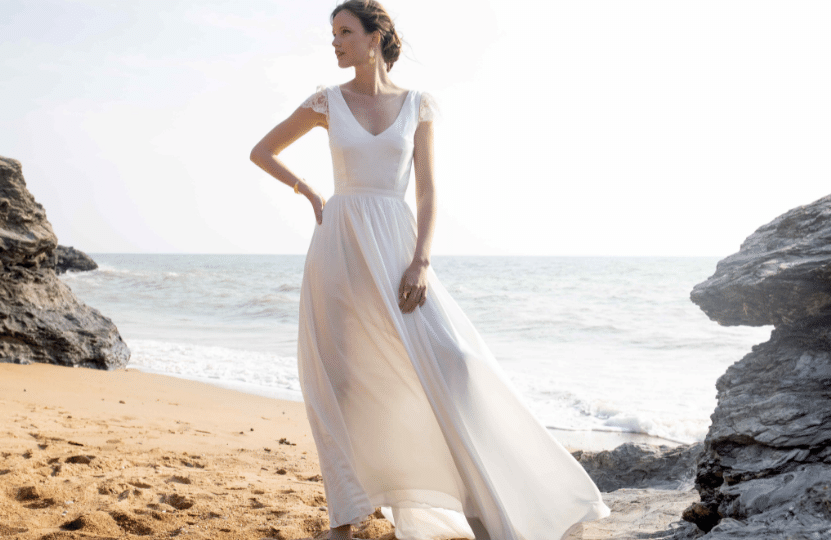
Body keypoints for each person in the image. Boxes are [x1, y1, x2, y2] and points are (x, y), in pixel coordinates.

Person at [249, 2, 610, 539]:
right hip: (339, 248)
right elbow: (263, 151)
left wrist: (421, 260)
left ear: (376, 38)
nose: (335, 43)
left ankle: (483, 498)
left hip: (397, 246)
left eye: (345, 32)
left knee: (452, 363)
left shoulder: (418, 105)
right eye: (333, 34)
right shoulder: (326, 101)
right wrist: (308, 192)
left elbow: (428, 190)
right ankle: (346, 516)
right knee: (341, 381)